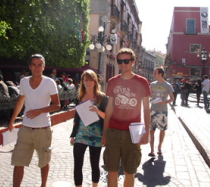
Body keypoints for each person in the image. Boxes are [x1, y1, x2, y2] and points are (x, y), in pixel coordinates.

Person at [7, 54, 60, 187]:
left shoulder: (49, 83)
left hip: (43, 129)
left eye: (39, 65)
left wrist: (39, 111)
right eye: (34, 65)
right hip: (25, 128)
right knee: (18, 161)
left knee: (44, 161)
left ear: (44, 67)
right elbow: (20, 102)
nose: (37, 68)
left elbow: (57, 104)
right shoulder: (24, 81)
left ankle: (43, 185)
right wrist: (12, 121)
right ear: (30, 66)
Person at [102, 48, 151, 187]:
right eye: (120, 61)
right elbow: (109, 108)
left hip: (133, 133)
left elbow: (147, 109)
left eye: (126, 61)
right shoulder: (112, 81)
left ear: (133, 62)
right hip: (113, 132)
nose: (123, 64)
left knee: (130, 172)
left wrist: (147, 132)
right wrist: (105, 133)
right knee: (112, 171)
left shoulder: (142, 82)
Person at [70, 69, 108, 187]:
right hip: (81, 134)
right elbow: (77, 118)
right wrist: (73, 135)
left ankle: (95, 185)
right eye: (86, 80)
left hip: (96, 135)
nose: (88, 82)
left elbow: (107, 117)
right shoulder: (80, 97)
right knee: (77, 164)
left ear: (95, 82)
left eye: (91, 80)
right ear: (82, 81)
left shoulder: (102, 98)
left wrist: (97, 111)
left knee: (94, 164)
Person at [149, 67, 174, 157]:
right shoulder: (152, 85)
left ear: (160, 74)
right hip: (153, 110)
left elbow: (172, 98)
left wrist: (165, 102)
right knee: (151, 130)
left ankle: (159, 147)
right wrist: (151, 100)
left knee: (162, 130)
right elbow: (149, 95)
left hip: (163, 111)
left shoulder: (168, 85)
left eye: (155, 73)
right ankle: (152, 150)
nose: (154, 75)